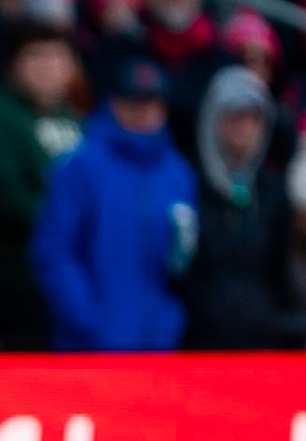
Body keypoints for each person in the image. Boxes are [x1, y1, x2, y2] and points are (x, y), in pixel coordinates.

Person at [31, 56, 198, 352]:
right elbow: (54, 250)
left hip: (158, 347)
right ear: (114, 103)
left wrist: (171, 321)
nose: (143, 111)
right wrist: (87, 320)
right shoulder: (80, 165)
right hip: (89, 348)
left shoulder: (178, 173)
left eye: (151, 102)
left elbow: (181, 259)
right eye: (133, 101)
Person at [0, 23, 83, 349]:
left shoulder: (72, 118)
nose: (46, 66)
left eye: (55, 57)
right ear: (14, 65)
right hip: (15, 277)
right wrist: (72, 224)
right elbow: (6, 195)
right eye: (35, 57)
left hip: (66, 272)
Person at [184, 67, 296, 349]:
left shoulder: (273, 191)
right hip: (201, 342)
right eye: (234, 116)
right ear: (213, 119)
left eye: (253, 118)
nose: (243, 127)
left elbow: (281, 270)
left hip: (261, 340)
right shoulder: (188, 184)